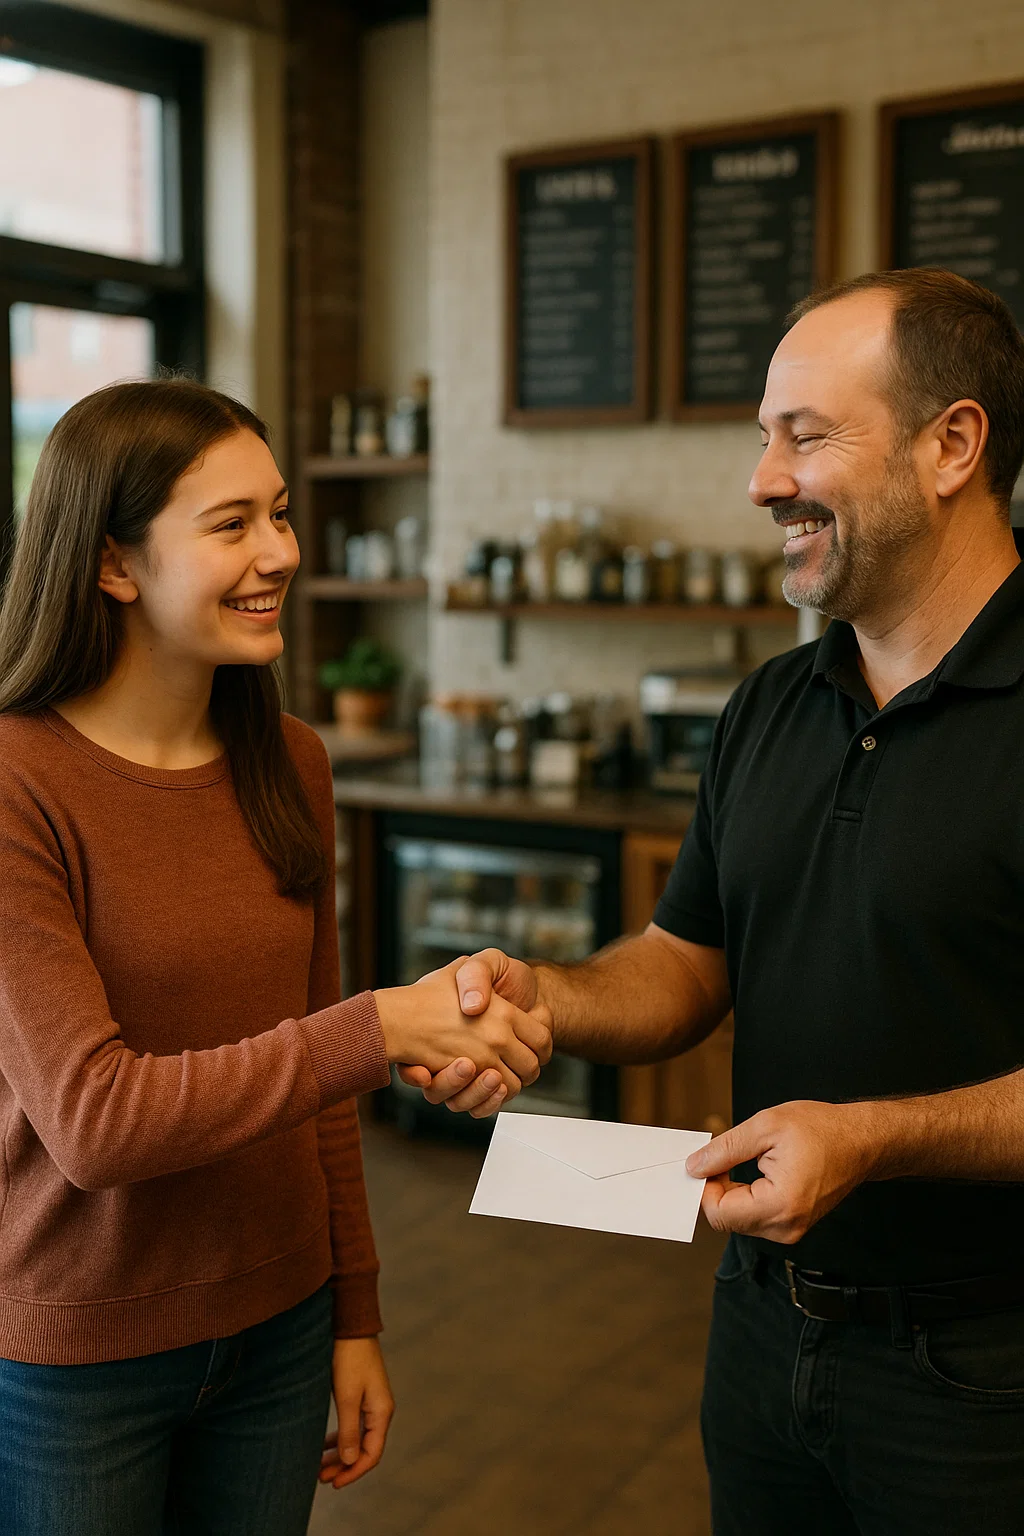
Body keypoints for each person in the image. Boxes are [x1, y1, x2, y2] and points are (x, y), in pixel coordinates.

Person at [407, 268, 1024, 1534]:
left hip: (986, 1370)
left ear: (952, 444)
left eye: (803, 434)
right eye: (763, 435)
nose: (760, 480)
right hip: (760, 1332)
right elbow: (685, 965)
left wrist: (875, 1140)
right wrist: (547, 998)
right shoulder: (768, 708)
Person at [0, 378, 550, 1536]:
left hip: (283, 1329)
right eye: (233, 524)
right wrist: (385, 1026)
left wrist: (356, 1312)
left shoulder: (288, 759)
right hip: (76, 1362)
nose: (281, 553)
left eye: (282, 514)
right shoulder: (19, 785)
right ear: (114, 564)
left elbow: (323, 1089)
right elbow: (96, 1124)